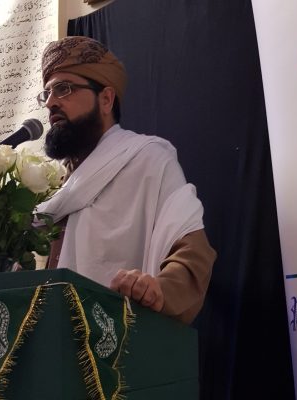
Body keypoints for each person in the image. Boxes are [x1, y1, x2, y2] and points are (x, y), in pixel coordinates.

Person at [36, 36, 216, 324]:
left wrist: (157, 289)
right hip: (47, 338)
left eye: (64, 89)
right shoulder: (52, 185)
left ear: (106, 99)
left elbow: (192, 254)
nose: (50, 103)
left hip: (114, 338)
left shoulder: (148, 161)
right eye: (46, 93)